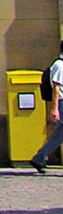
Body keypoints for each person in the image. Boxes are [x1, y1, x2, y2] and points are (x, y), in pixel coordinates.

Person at [31, 39, 63, 173]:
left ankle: (39, 158)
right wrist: (54, 108)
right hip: (62, 102)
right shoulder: (60, 65)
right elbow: (56, 87)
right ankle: (39, 158)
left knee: (58, 135)